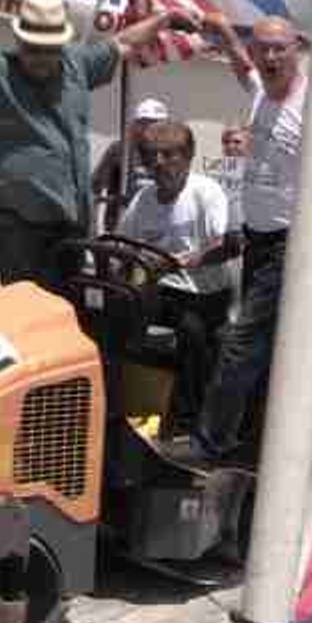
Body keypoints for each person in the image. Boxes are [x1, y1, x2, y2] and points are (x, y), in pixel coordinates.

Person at [0, 0, 200, 294]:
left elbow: (124, 42)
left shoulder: (77, 64)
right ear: (20, 40)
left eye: (49, 49)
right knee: (31, 310)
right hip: (19, 230)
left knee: (68, 308)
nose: (41, 57)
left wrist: (164, 20)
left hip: (72, 226)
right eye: (33, 48)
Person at [188, 13, 312, 466]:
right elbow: (242, 69)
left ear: (297, 52)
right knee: (266, 349)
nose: (270, 57)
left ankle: (209, 445)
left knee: (240, 341)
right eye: (262, 48)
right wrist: (225, 35)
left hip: (289, 245)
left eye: (279, 49)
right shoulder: (261, 93)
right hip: (258, 241)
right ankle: (258, 442)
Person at [118, 121, 241, 430]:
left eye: (168, 154)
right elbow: (122, 244)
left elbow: (227, 245)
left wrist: (184, 262)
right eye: (151, 155)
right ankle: (127, 406)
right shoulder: (143, 199)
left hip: (204, 294)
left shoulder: (206, 192)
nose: (158, 163)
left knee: (192, 331)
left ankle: (189, 421)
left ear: (187, 157)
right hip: (162, 290)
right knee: (113, 318)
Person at [92, 97, 170, 233]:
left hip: (156, 231)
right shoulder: (120, 150)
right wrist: (93, 230)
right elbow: (94, 190)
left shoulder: (169, 153)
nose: (154, 128)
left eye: (159, 123)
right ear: (136, 125)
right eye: (147, 123)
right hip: (121, 230)